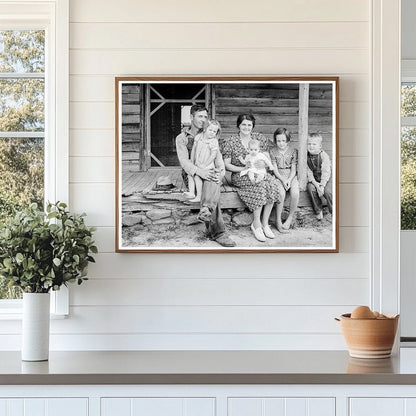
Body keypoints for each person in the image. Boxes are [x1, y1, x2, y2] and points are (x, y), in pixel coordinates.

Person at [175, 104, 236, 247]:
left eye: (205, 117)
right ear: (191, 117)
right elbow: (184, 161)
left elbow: (218, 158)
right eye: (200, 116)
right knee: (211, 188)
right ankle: (219, 232)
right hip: (192, 176)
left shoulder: (211, 134)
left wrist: (220, 172)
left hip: (209, 171)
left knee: (213, 180)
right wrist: (199, 171)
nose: (203, 119)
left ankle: (205, 210)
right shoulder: (182, 137)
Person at [221, 114, 280, 243]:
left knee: (271, 183)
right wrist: (243, 169)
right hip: (239, 174)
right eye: (243, 124)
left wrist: (263, 164)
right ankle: (256, 224)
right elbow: (227, 164)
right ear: (238, 125)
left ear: (253, 126)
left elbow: (266, 157)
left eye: (249, 125)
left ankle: (265, 224)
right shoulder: (231, 141)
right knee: (258, 185)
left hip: (259, 171)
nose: (246, 127)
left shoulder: (259, 138)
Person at [270, 127, 300, 232]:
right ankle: (278, 220)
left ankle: (290, 218)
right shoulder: (273, 151)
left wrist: (289, 180)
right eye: (278, 141)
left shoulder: (293, 151)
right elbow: (274, 169)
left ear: (288, 140)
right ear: (275, 140)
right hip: (278, 176)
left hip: (291, 176)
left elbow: (294, 168)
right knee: (281, 194)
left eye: (283, 141)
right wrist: (283, 180)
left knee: (295, 193)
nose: (281, 143)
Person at [184, 119, 221, 203]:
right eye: (210, 130)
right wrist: (192, 161)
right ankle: (191, 192)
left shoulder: (213, 141)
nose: (212, 132)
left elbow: (212, 156)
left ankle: (199, 196)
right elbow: (194, 150)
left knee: (197, 177)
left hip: (207, 166)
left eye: (214, 131)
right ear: (205, 129)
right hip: (197, 163)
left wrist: (205, 165)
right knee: (190, 175)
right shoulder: (198, 137)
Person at [306, 132, 333, 220]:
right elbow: (308, 172)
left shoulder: (324, 156)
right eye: (309, 144)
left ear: (320, 146)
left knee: (328, 192)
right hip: (314, 179)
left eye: (314, 144)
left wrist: (322, 185)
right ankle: (318, 210)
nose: (311, 146)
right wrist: (316, 185)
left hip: (326, 179)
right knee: (310, 188)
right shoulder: (305, 157)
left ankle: (334, 211)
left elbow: (326, 172)